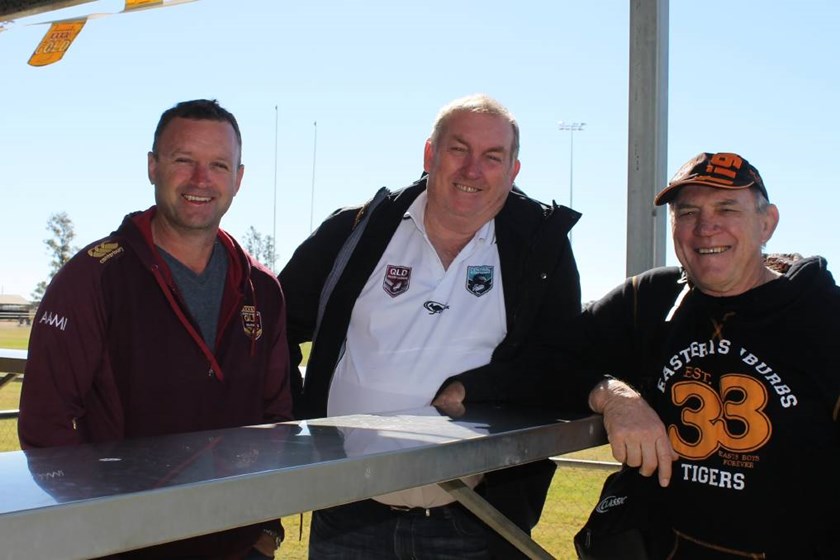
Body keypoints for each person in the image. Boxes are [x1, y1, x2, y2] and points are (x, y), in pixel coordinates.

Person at [279, 94, 591, 559]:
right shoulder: (355, 230)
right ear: (429, 154)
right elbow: (272, 327)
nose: (472, 170)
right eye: (458, 149)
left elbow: (559, 361)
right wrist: (298, 422)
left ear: (513, 171)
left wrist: (477, 387)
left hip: (474, 521)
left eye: (492, 157)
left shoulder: (539, 248)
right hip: (347, 513)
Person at [18, 99, 293, 560]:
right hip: (127, 545)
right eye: (183, 160)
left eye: (218, 165)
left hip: (235, 544)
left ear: (239, 179)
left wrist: (266, 533)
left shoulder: (261, 288)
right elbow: (46, 426)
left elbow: (277, 418)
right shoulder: (93, 277)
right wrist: (98, 534)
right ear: (152, 167)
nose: (201, 180)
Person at [575, 152, 839, 558]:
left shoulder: (822, 316)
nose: (705, 227)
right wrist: (613, 396)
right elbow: (549, 354)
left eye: (727, 208)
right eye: (687, 212)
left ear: (767, 222)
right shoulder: (647, 300)